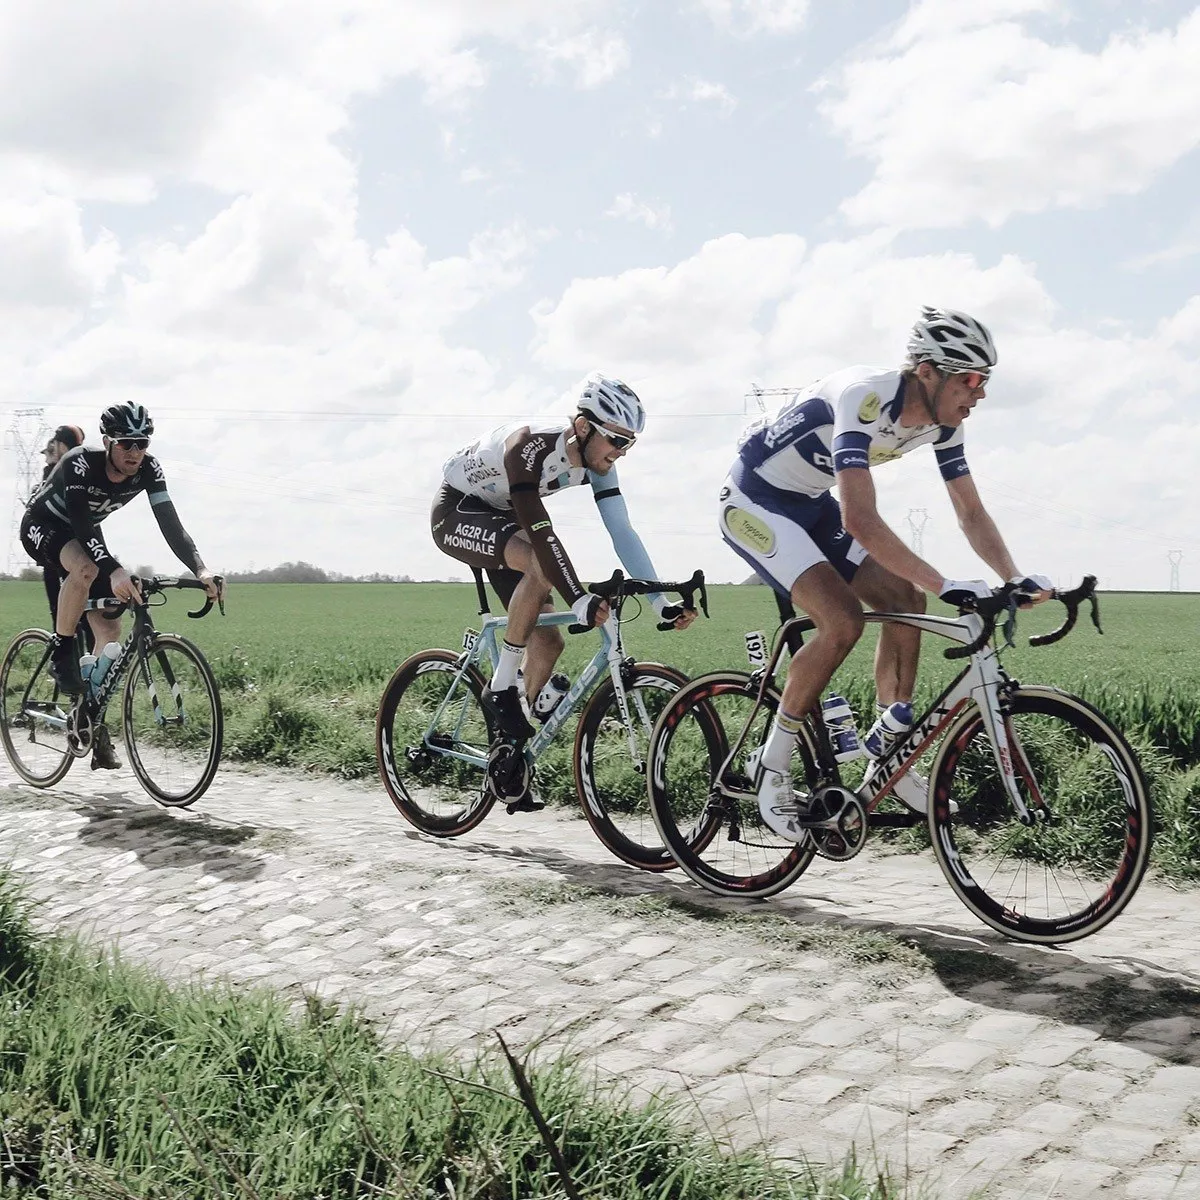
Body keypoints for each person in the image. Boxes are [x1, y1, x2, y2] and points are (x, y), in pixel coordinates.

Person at [718, 306, 1050, 837]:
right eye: (968, 379)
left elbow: (970, 511)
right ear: (927, 372)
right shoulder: (864, 399)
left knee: (904, 598)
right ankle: (771, 767)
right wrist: (945, 583)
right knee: (842, 621)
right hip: (755, 501)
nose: (979, 393)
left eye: (983, 380)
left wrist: (1012, 575)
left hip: (807, 501)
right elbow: (861, 519)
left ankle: (890, 757)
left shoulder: (944, 425)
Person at [432, 375, 695, 743]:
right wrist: (578, 597)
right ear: (584, 427)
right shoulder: (529, 445)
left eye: (630, 443)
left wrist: (660, 603)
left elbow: (622, 532)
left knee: (549, 642)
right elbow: (541, 533)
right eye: (617, 439)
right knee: (542, 564)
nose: (622, 451)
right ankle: (502, 685)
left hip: (503, 516)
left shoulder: (599, 464)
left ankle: (507, 754)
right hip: (458, 510)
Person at [20, 402, 224, 771]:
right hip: (46, 525)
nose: (135, 452)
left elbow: (170, 523)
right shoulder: (81, 462)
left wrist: (201, 568)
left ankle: (89, 714)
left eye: (142, 443)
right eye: (126, 443)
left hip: (86, 535)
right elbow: (80, 521)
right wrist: (112, 569)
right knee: (84, 569)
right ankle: (62, 653)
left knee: (110, 626)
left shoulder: (148, 468)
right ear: (108, 442)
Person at [38, 425, 88, 629]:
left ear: (60, 445)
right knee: (66, 615)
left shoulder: (67, 468)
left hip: (70, 545)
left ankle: (81, 658)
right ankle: (64, 658)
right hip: (63, 545)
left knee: (78, 614)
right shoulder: (73, 467)